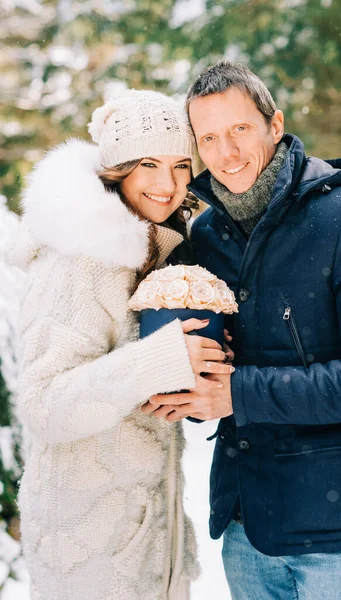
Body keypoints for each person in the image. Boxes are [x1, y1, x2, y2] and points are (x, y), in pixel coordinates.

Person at [147, 62, 341, 599]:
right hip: (247, 527)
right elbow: (210, 357)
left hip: (339, 534)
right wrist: (185, 384)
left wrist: (235, 393)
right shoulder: (207, 235)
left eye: (239, 129)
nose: (227, 153)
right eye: (209, 137)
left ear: (275, 124)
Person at [4, 89, 233, 600]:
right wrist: (162, 359)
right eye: (148, 163)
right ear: (116, 168)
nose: (168, 183)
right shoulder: (77, 260)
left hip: (148, 540)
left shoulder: (158, 251)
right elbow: (44, 406)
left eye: (180, 164)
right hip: (89, 554)